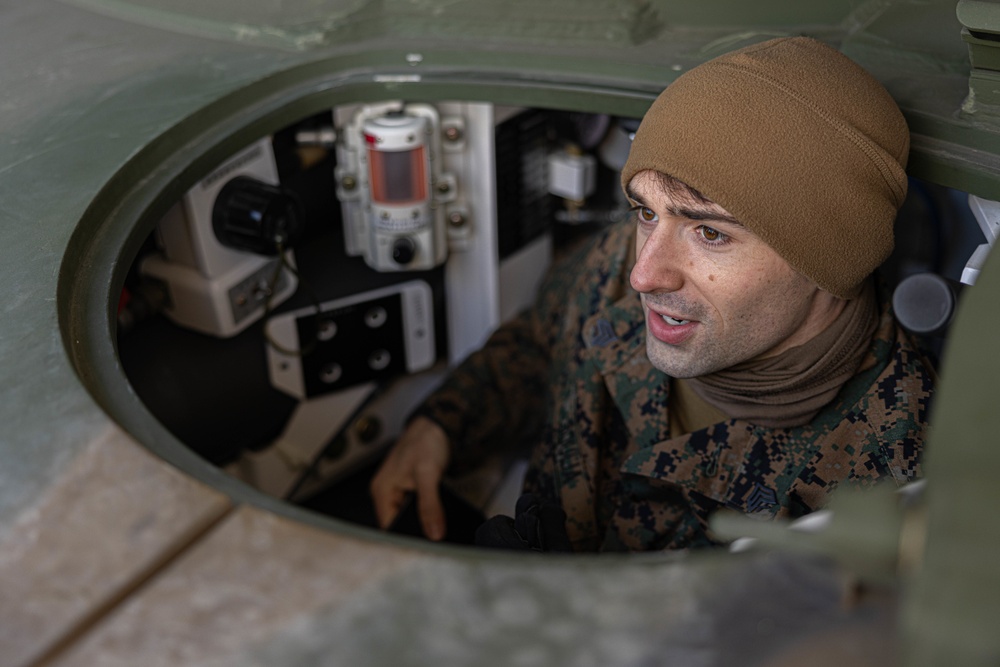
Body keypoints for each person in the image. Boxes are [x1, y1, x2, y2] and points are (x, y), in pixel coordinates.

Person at [370, 36, 934, 552]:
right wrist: (442, 425)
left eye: (710, 233)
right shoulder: (621, 259)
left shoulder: (895, 478)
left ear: (826, 261)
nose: (645, 273)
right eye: (646, 211)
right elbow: (542, 342)